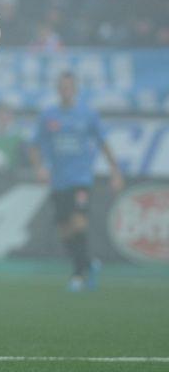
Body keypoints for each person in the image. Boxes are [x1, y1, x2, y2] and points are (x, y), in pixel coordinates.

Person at [30, 71, 123, 292]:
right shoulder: (48, 116)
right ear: (57, 89)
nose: (65, 91)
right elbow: (34, 145)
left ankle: (78, 274)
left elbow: (104, 142)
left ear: (75, 89)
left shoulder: (87, 114)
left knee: (78, 222)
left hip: (81, 178)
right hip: (58, 180)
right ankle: (89, 264)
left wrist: (115, 171)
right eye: (62, 87)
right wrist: (39, 168)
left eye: (69, 87)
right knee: (64, 229)